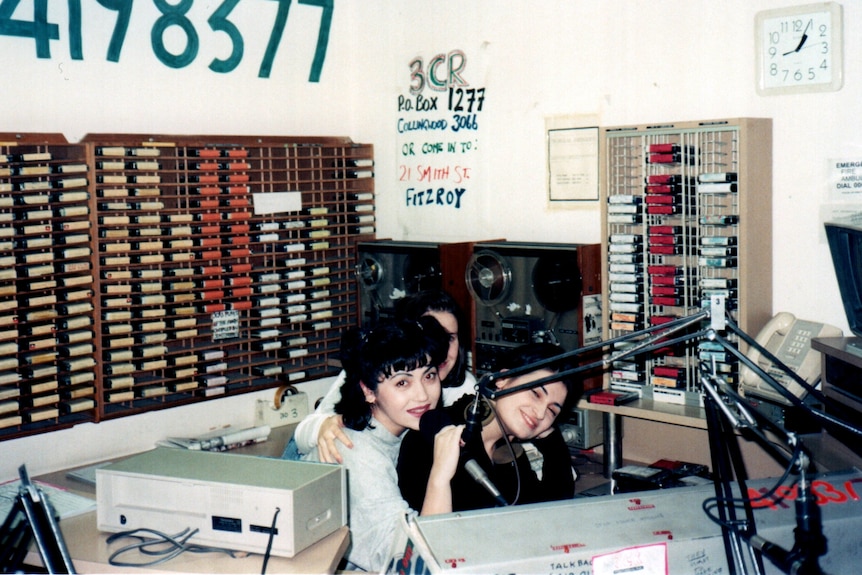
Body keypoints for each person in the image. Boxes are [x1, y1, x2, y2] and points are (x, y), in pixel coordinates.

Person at [299, 317, 463, 572]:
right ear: (368, 390)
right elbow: (414, 566)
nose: (422, 395)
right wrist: (440, 477)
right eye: (402, 382)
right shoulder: (355, 451)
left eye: (429, 376)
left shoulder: (405, 434)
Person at [286, 289, 475, 462]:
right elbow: (302, 434)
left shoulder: (465, 387)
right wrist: (324, 427)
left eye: (449, 338)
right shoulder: (367, 371)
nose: (440, 348)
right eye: (402, 382)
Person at [397, 342, 582, 512]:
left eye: (552, 410)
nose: (540, 413)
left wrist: (550, 438)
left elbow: (553, 508)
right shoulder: (435, 436)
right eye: (535, 394)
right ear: (503, 380)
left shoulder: (507, 450)